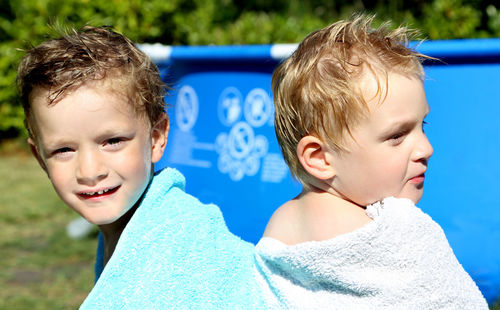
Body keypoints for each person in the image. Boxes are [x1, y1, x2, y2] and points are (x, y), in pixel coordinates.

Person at [253, 15, 488, 309]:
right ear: (320, 158)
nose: (426, 149)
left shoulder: (280, 225)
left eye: (422, 125)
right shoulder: (397, 235)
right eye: (397, 135)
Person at [17, 26, 261, 309]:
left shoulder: (177, 245)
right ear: (39, 157)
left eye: (112, 141)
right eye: (64, 150)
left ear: (156, 137)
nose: (89, 170)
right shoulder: (134, 230)